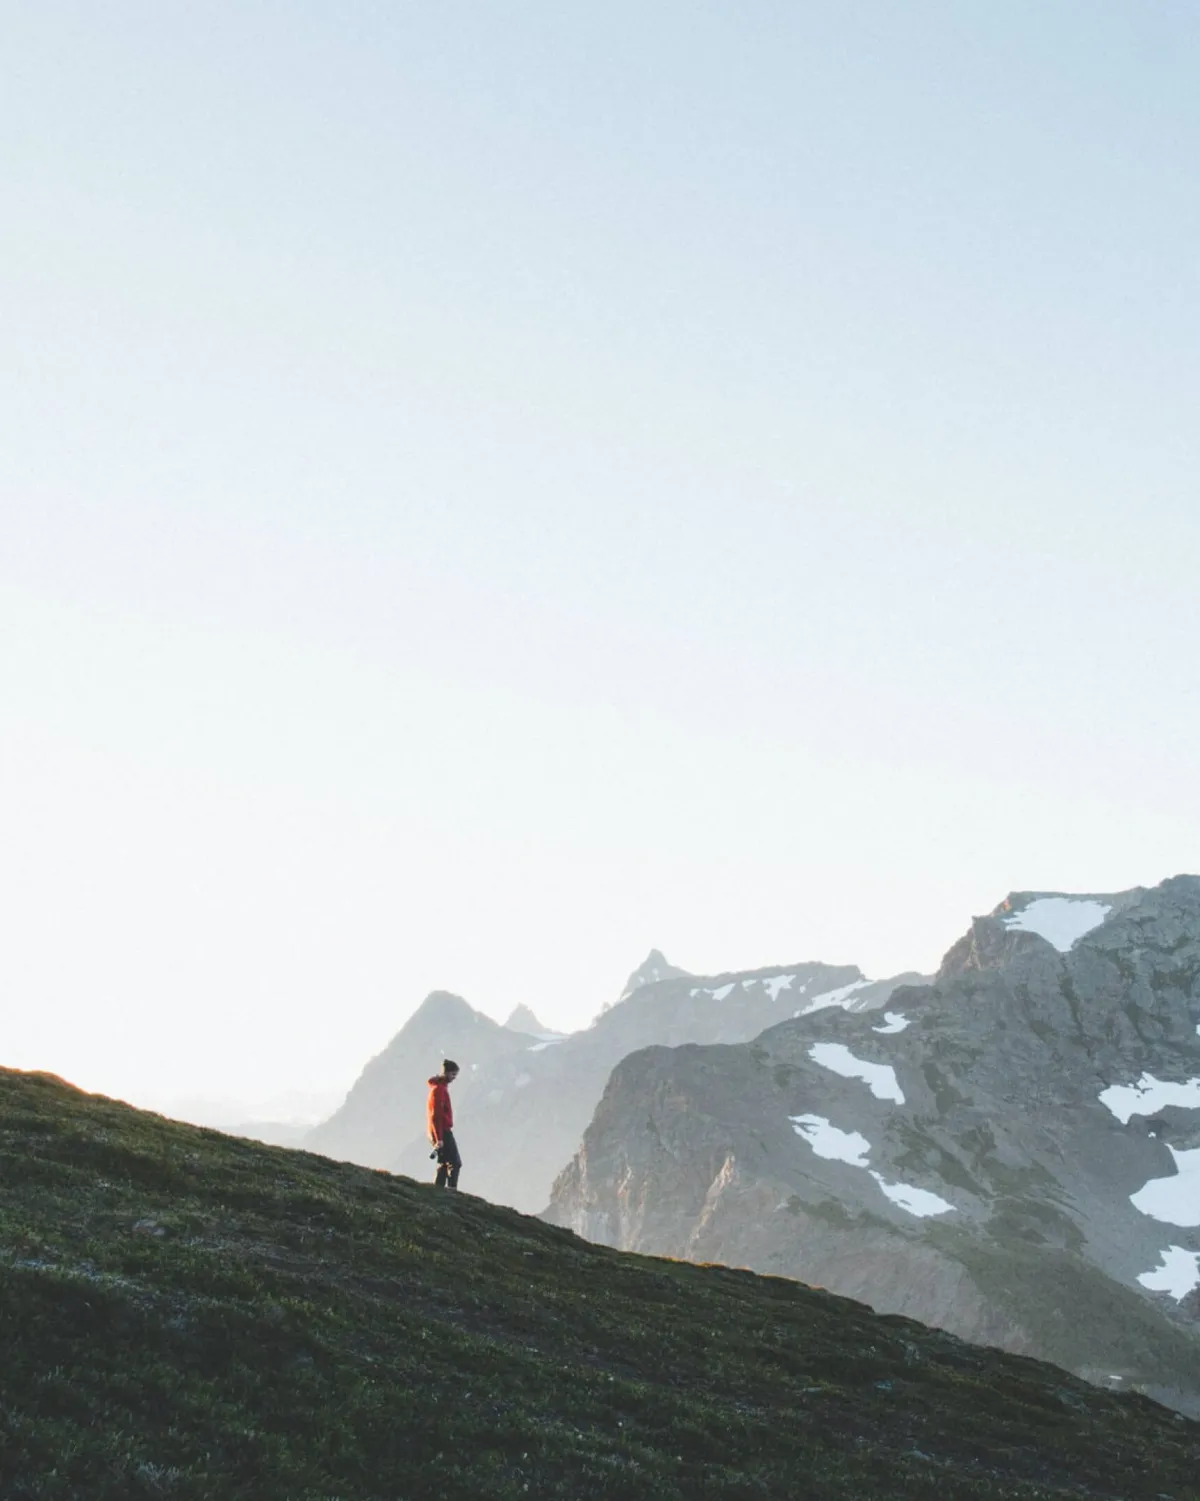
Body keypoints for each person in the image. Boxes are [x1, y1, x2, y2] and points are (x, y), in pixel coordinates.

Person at [427, 1059, 462, 1190]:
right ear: (446, 1073)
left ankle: (438, 1190)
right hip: (443, 1131)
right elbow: (436, 1116)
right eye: (453, 1075)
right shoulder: (439, 1090)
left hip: (436, 1131)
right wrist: (440, 1139)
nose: (454, 1078)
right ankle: (452, 1190)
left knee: (443, 1163)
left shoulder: (437, 1088)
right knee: (455, 1163)